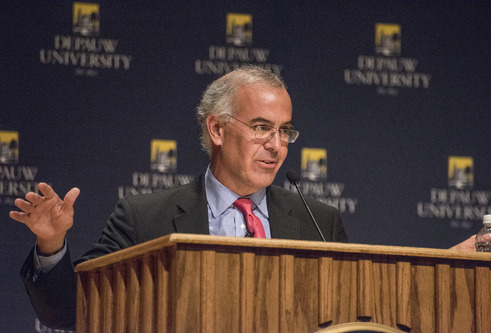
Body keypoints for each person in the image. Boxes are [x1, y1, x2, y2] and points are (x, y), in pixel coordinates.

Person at [9, 66, 348, 330]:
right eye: (261, 127)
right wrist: (51, 243)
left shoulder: (318, 222)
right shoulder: (143, 218)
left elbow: (347, 319)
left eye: (284, 130)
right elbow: (73, 312)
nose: (276, 145)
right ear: (217, 129)